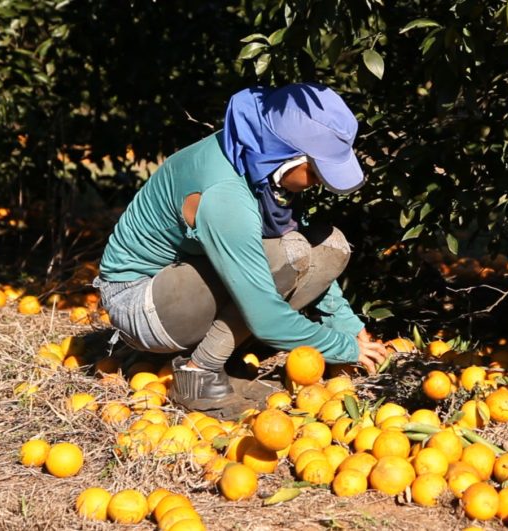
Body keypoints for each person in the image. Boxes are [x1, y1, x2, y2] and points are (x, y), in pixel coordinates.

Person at [93, 83, 388, 416]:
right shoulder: (227, 195)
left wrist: (349, 327)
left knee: (327, 245)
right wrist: (343, 348)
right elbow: (264, 315)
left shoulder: (259, 162)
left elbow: (312, 260)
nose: (318, 184)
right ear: (290, 157)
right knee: (289, 254)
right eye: (317, 173)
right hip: (138, 303)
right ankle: (199, 374)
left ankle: (224, 362)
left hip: (181, 283)